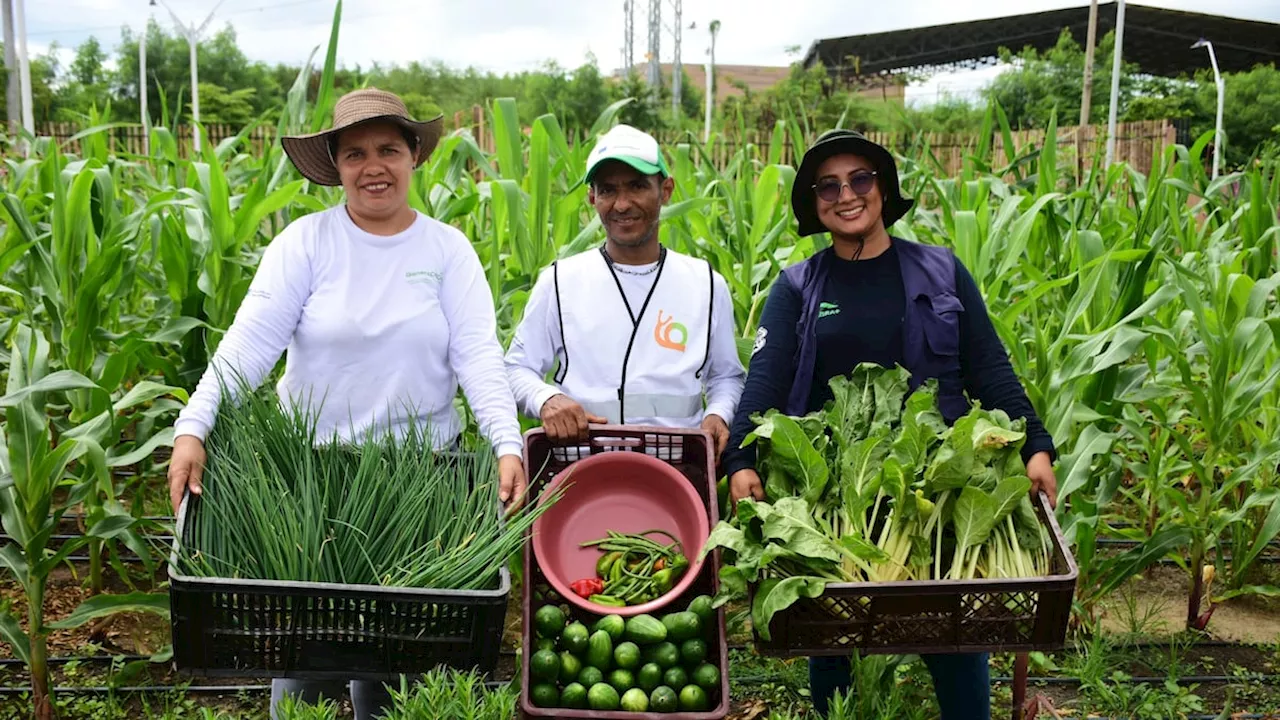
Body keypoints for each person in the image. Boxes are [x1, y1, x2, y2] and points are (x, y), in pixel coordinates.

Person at [165, 88, 527, 720]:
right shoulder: (306, 244)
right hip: (315, 479)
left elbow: (477, 354)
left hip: (420, 481)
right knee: (305, 653)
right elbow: (250, 343)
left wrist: (506, 440)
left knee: (397, 661)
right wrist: (193, 426)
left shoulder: (447, 251)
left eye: (389, 148)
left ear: (414, 155)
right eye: (355, 153)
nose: (374, 166)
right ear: (335, 164)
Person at [721, 129, 1060, 719]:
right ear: (814, 202)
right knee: (833, 645)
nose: (845, 194)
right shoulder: (799, 286)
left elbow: (990, 369)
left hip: (937, 488)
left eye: (860, 179)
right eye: (828, 185)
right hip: (835, 491)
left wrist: (1035, 443)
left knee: (956, 645)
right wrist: (741, 461)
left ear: (884, 189)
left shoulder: (941, 270)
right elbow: (766, 381)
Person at [504, 124, 744, 458]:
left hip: (677, 467)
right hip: (581, 464)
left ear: (666, 190)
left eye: (637, 187)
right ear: (592, 198)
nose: (622, 204)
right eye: (607, 190)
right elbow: (515, 369)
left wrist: (718, 413)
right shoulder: (561, 282)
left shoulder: (704, 283)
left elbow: (727, 376)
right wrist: (546, 399)